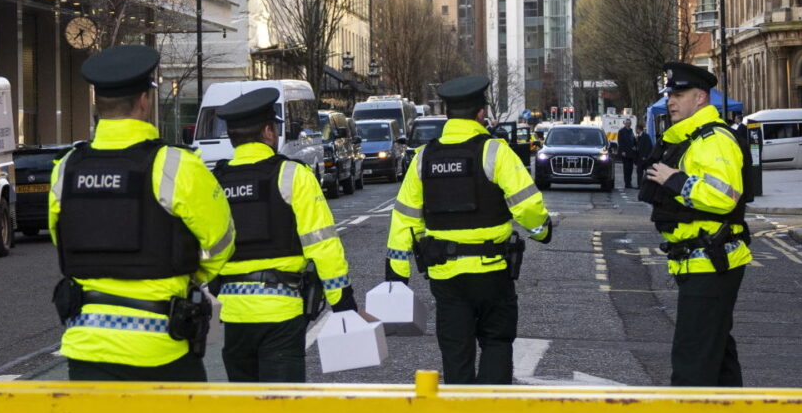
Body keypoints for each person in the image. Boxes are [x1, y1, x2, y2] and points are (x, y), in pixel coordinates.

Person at [46, 45, 247, 413]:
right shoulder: (174, 166)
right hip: (163, 340)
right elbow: (221, 240)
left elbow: (63, 243)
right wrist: (192, 278)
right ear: (145, 98)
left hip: (87, 339)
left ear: (96, 103)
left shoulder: (68, 168)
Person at [387, 73, 553, 384]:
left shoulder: (424, 158)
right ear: (481, 113)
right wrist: (542, 230)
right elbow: (527, 205)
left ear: (447, 114)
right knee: (496, 341)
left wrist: (396, 271)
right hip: (492, 271)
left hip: (445, 276)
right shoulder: (495, 151)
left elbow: (404, 217)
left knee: (455, 350)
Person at [213, 85, 355, 380]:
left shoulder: (215, 181)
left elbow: (204, 246)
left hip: (233, 314)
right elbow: (322, 243)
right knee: (282, 410)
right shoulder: (292, 175)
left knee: (245, 409)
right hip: (281, 310)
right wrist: (342, 300)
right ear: (267, 132)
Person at [643, 61, 752, 386]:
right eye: (669, 95)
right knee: (717, 354)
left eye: (679, 94)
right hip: (698, 263)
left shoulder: (713, 140)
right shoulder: (688, 139)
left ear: (701, 98)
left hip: (711, 263)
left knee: (692, 364)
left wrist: (676, 180)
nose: (670, 101)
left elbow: (726, 196)